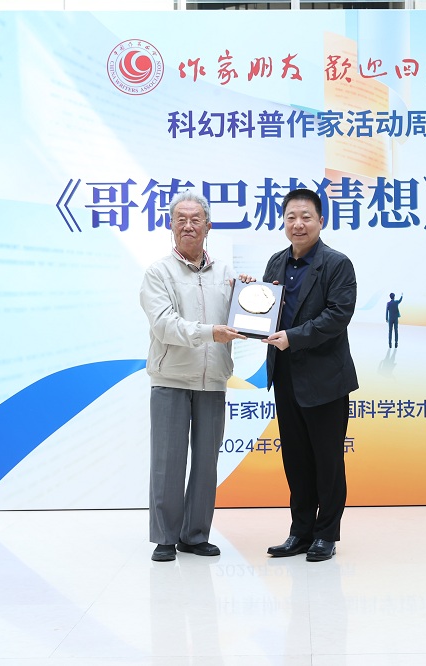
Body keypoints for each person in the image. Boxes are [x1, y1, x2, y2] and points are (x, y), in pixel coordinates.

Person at [139, 190, 246, 562]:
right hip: (171, 377)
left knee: (205, 463)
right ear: (171, 226)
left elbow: (243, 318)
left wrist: (250, 293)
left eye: (195, 219)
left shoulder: (227, 274)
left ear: (208, 226)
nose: (188, 225)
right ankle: (165, 537)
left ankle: (195, 535)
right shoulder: (158, 272)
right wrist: (209, 333)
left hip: (213, 378)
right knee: (167, 462)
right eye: (180, 219)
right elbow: (164, 325)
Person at [261, 188, 358, 562]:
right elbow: (266, 309)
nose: (298, 224)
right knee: (296, 458)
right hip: (285, 373)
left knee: (327, 459)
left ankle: (326, 534)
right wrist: (249, 297)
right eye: (291, 217)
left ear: (321, 221)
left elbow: (337, 316)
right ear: (283, 222)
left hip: (325, 378)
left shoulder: (337, 264)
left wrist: (294, 337)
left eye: (306, 217)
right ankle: (300, 531)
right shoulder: (276, 262)